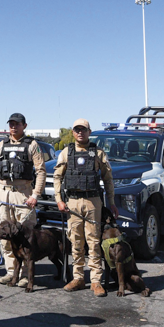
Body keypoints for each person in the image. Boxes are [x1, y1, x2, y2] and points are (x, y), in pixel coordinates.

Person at [53, 118, 117, 297]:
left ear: (89, 132)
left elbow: (108, 179)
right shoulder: (66, 152)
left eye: (84, 129)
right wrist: (59, 199)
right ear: (73, 132)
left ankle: (96, 280)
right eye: (77, 129)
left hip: (93, 201)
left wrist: (111, 203)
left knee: (94, 241)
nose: (80, 132)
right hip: (72, 202)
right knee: (76, 241)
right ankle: (78, 277)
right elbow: (57, 177)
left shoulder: (97, 152)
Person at [0, 112, 47, 286]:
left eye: (17, 124)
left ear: (24, 126)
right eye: (11, 124)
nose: (13, 127)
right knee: (6, 235)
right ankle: (12, 272)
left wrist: (35, 194)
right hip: (4, 194)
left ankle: (26, 275)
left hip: (23, 194)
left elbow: (41, 170)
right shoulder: (2, 145)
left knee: (27, 236)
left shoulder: (32, 145)